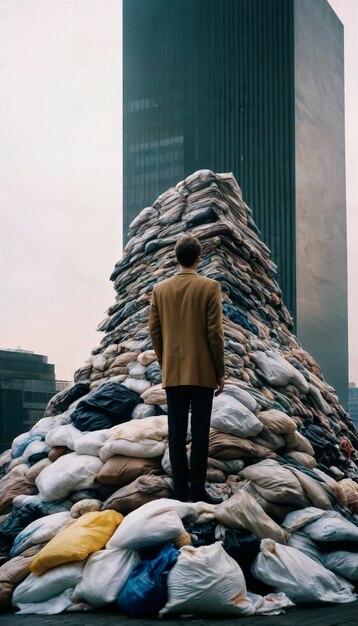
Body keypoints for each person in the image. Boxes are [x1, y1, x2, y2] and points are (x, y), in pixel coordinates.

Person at [149, 234, 225, 503]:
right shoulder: (210, 286)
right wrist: (220, 371)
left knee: (177, 434)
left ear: (175, 257)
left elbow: (154, 331)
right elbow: (215, 333)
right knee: (201, 434)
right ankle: (198, 491)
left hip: (174, 372)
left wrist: (164, 361)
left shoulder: (160, 290)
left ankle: (180, 492)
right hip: (203, 372)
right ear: (199, 258)